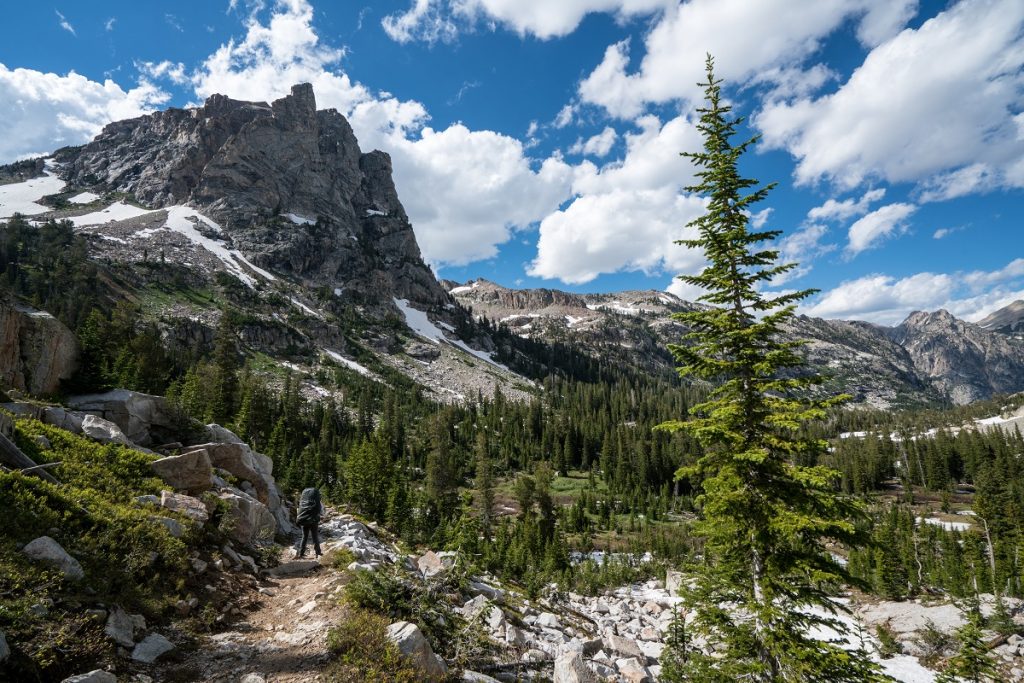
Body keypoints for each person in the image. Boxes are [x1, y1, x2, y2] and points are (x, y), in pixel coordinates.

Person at [295, 486, 323, 558]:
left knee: (304, 537)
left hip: (304, 519)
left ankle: (301, 553)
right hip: (313, 520)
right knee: (315, 537)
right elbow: (320, 511)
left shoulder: (303, 501)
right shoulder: (316, 501)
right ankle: (318, 552)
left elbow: (299, 509)